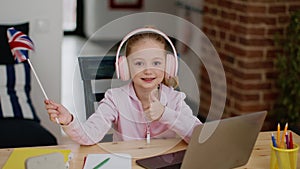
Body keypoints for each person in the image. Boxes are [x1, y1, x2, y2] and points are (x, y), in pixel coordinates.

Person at [45, 27, 201, 145]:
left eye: (156, 63)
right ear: (125, 67)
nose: (148, 70)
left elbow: (198, 137)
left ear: (168, 67)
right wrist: (68, 120)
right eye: (139, 63)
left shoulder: (175, 99)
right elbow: (89, 136)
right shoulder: (115, 98)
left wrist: (165, 114)